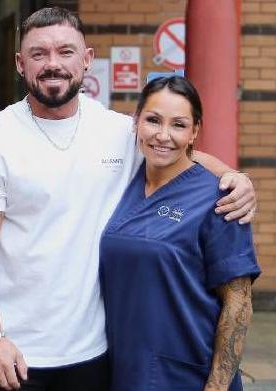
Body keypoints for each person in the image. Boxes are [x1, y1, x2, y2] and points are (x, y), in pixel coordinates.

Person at [0, 7, 256, 391]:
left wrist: (235, 177)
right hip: (12, 355)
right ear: (20, 64)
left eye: (65, 52)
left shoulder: (117, 131)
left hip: (97, 355)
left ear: (87, 59)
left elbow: (176, 152)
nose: (52, 64)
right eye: (39, 53)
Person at [100, 76, 260, 391]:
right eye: (153, 120)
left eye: (178, 125)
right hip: (121, 367)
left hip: (186, 373)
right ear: (136, 123)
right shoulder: (121, 183)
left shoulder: (220, 199)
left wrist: (216, 387)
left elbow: (238, 302)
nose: (163, 135)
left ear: (194, 132)